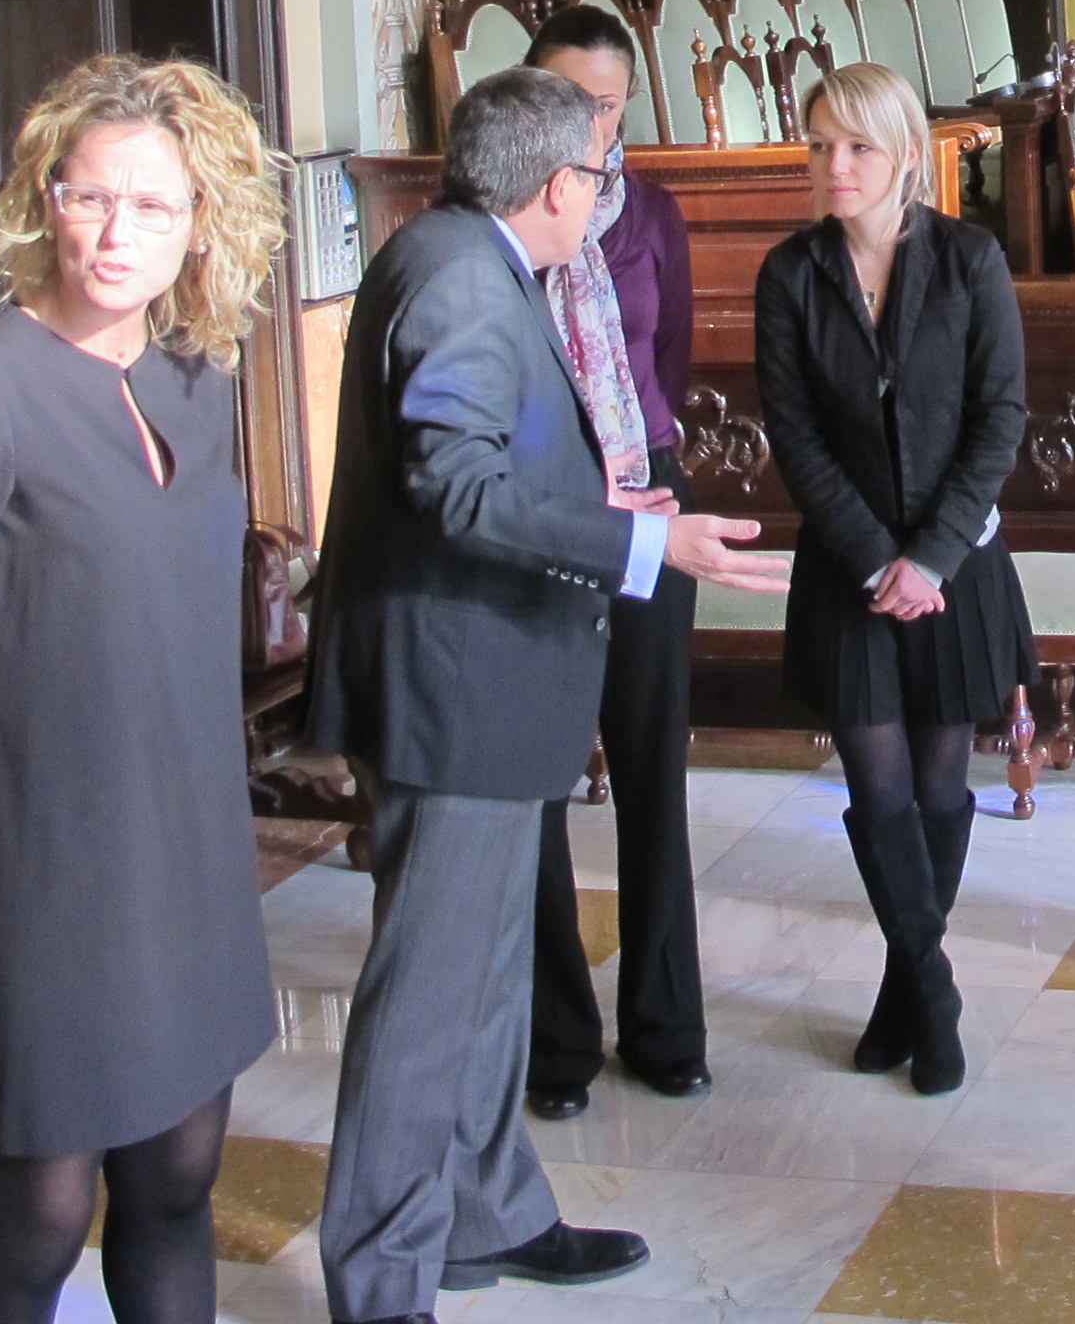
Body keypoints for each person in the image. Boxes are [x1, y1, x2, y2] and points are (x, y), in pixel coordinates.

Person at [310, 68, 789, 1323]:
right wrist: (644, 542)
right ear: (555, 182)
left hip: (486, 683)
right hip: (452, 687)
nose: (602, 190)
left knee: (484, 984)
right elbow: (456, 489)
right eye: (596, 169)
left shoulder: (470, 255)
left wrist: (599, 500)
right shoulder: (462, 278)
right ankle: (381, 1281)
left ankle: (488, 1213)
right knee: (428, 998)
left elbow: (490, 462)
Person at [0, 55, 292, 1324]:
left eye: (153, 206)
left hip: (188, 845)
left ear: (200, 223)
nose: (116, 233)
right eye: (92, 196)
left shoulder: (196, 380)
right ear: (47, 197)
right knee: (34, 1220)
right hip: (47, 860)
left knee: (177, 1179)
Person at [752, 60, 1036, 1096]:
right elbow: (794, 437)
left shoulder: (969, 258)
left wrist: (932, 556)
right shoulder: (791, 273)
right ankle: (935, 989)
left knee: (939, 787)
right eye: (820, 144)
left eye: (858, 146)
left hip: (956, 563)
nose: (835, 164)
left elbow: (1000, 418)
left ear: (908, 153)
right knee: (878, 790)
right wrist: (880, 559)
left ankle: (900, 988)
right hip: (850, 570)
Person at [519, 6, 710, 1120]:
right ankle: (555, 1042)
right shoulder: (497, 216)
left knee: (650, 764)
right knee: (541, 771)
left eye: (606, 102)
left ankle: (666, 1024)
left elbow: (668, 355)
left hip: (645, 490)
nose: (589, 120)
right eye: (567, 99)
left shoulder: (653, 214)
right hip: (540, 509)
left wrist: (632, 464)